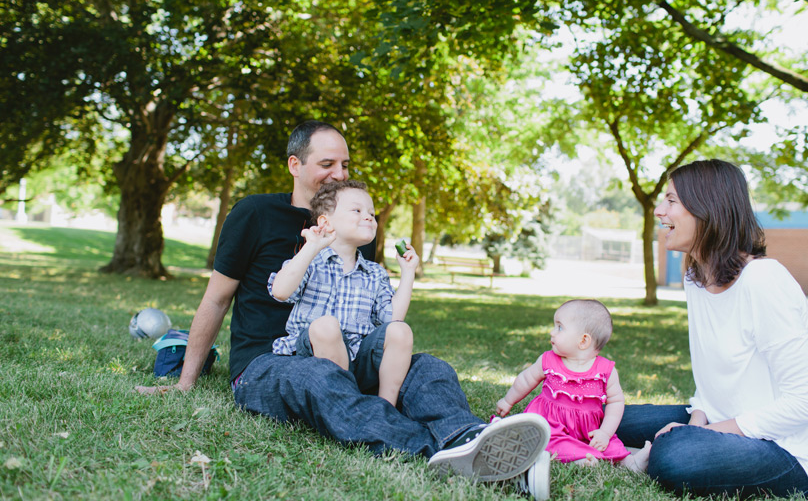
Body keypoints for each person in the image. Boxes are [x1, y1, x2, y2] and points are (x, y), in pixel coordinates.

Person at [135, 120, 550, 489]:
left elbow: (377, 318)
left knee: (428, 368)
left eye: (345, 166)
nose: (340, 173)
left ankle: (470, 436)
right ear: (295, 165)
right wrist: (185, 381)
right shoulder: (255, 213)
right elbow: (217, 298)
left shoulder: (354, 233)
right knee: (319, 379)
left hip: (347, 356)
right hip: (269, 363)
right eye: (327, 164)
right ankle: (434, 448)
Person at [614, 159, 808, 499]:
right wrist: (696, 428)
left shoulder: (765, 281)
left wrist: (696, 438)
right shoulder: (696, 279)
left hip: (784, 451)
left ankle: (652, 455)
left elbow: (807, 403)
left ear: (707, 208)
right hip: (718, 423)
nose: (660, 211)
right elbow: (711, 384)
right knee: (603, 416)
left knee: (676, 455)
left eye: (672, 201)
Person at [268, 179, 418, 407]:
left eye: (371, 213)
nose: (369, 217)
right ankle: (345, 406)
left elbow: (391, 320)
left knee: (401, 330)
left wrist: (408, 272)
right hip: (313, 360)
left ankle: (384, 407)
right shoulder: (310, 261)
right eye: (357, 210)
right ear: (325, 222)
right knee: (326, 326)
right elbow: (280, 291)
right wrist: (311, 246)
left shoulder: (375, 273)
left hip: (358, 360)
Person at [496, 298, 649, 471]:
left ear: (583, 341)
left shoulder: (606, 370)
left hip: (588, 430)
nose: (552, 332)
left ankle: (630, 463)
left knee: (608, 444)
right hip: (552, 425)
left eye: (559, 327)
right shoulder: (548, 360)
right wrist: (508, 401)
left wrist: (605, 433)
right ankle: (578, 457)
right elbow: (525, 380)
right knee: (548, 440)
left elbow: (615, 402)